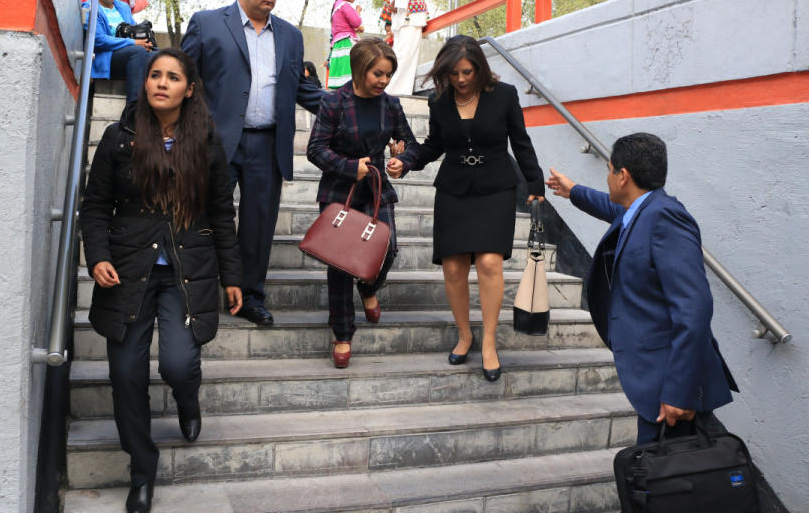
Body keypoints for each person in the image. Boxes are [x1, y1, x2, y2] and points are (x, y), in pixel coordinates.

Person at [80, 48, 242, 513]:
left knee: (176, 363)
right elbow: (95, 208)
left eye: (173, 77)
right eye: (155, 75)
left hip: (187, 273)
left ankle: (188, 399)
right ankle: (142, 471)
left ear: (189, 89)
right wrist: (98, 258)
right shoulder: (119, 138)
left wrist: (232, 275)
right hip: (127, 272)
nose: (161, 83)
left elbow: (221, 214)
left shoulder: (207, 143)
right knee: (126, 374)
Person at [546, 133, 738, 445]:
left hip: (671, 391)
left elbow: (694, 309)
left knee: (668, 483)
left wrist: (679, 391)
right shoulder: (641, 210)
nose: (607, 177)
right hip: (654, 382)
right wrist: (573, 191)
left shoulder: (665, 217)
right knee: (658, 479)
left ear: (623, 176)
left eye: (609, 170)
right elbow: (614, 211)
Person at [388, 36, 544, 382]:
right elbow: (434, 145)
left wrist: (536, 185)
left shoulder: (504, 96)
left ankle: (489, 342)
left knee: (489, 262)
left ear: (479, 67)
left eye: (467, 72)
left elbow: (520, 140)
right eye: (454, 73)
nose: (460, 79)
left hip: (495, 188)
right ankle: (465, 335)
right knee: (454, 267)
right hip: (454, 188)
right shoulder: (439, 100)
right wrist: (406, 161)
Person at [181, 0, 324, 326]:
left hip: (268, 144)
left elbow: (303, 90)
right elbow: (182, 79)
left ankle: (250, 297)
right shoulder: (208, 24)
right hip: (215, 143)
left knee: (259, 225)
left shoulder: (291, 37)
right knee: (202, 217)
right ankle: (192, 292)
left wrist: (353, 106)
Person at [307, 38, 416, 368]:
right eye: (377, 74)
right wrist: (347, 166)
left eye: (388, 75)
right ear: (359, 70)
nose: (383, 81)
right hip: (341, 193)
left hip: (377, 189)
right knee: (341, 266)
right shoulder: (334, 102)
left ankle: (368, 289)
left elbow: (407, 142)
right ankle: (342, 333)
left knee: (389, 250)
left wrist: (402, 157)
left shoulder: (391, 105)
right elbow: (316, 149)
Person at [83, 0, 155, 106]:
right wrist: (132, 42)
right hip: (106, 56)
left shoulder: (123, 7)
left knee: (159, 55)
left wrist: (144, 42)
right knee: (137, 51)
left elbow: (133, 28)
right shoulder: (90, 8)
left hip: (130, 53)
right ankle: (133, 108)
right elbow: (99, 40)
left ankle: (153, 106)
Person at [327, 0, 364, 89]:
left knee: (340, 75)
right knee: (349, 75)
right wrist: (358, 11)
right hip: (346, 43)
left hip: (338, 44)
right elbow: (357, 22)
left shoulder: (336, 6)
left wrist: (355, 29)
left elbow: (341, 27)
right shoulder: (344, 5)